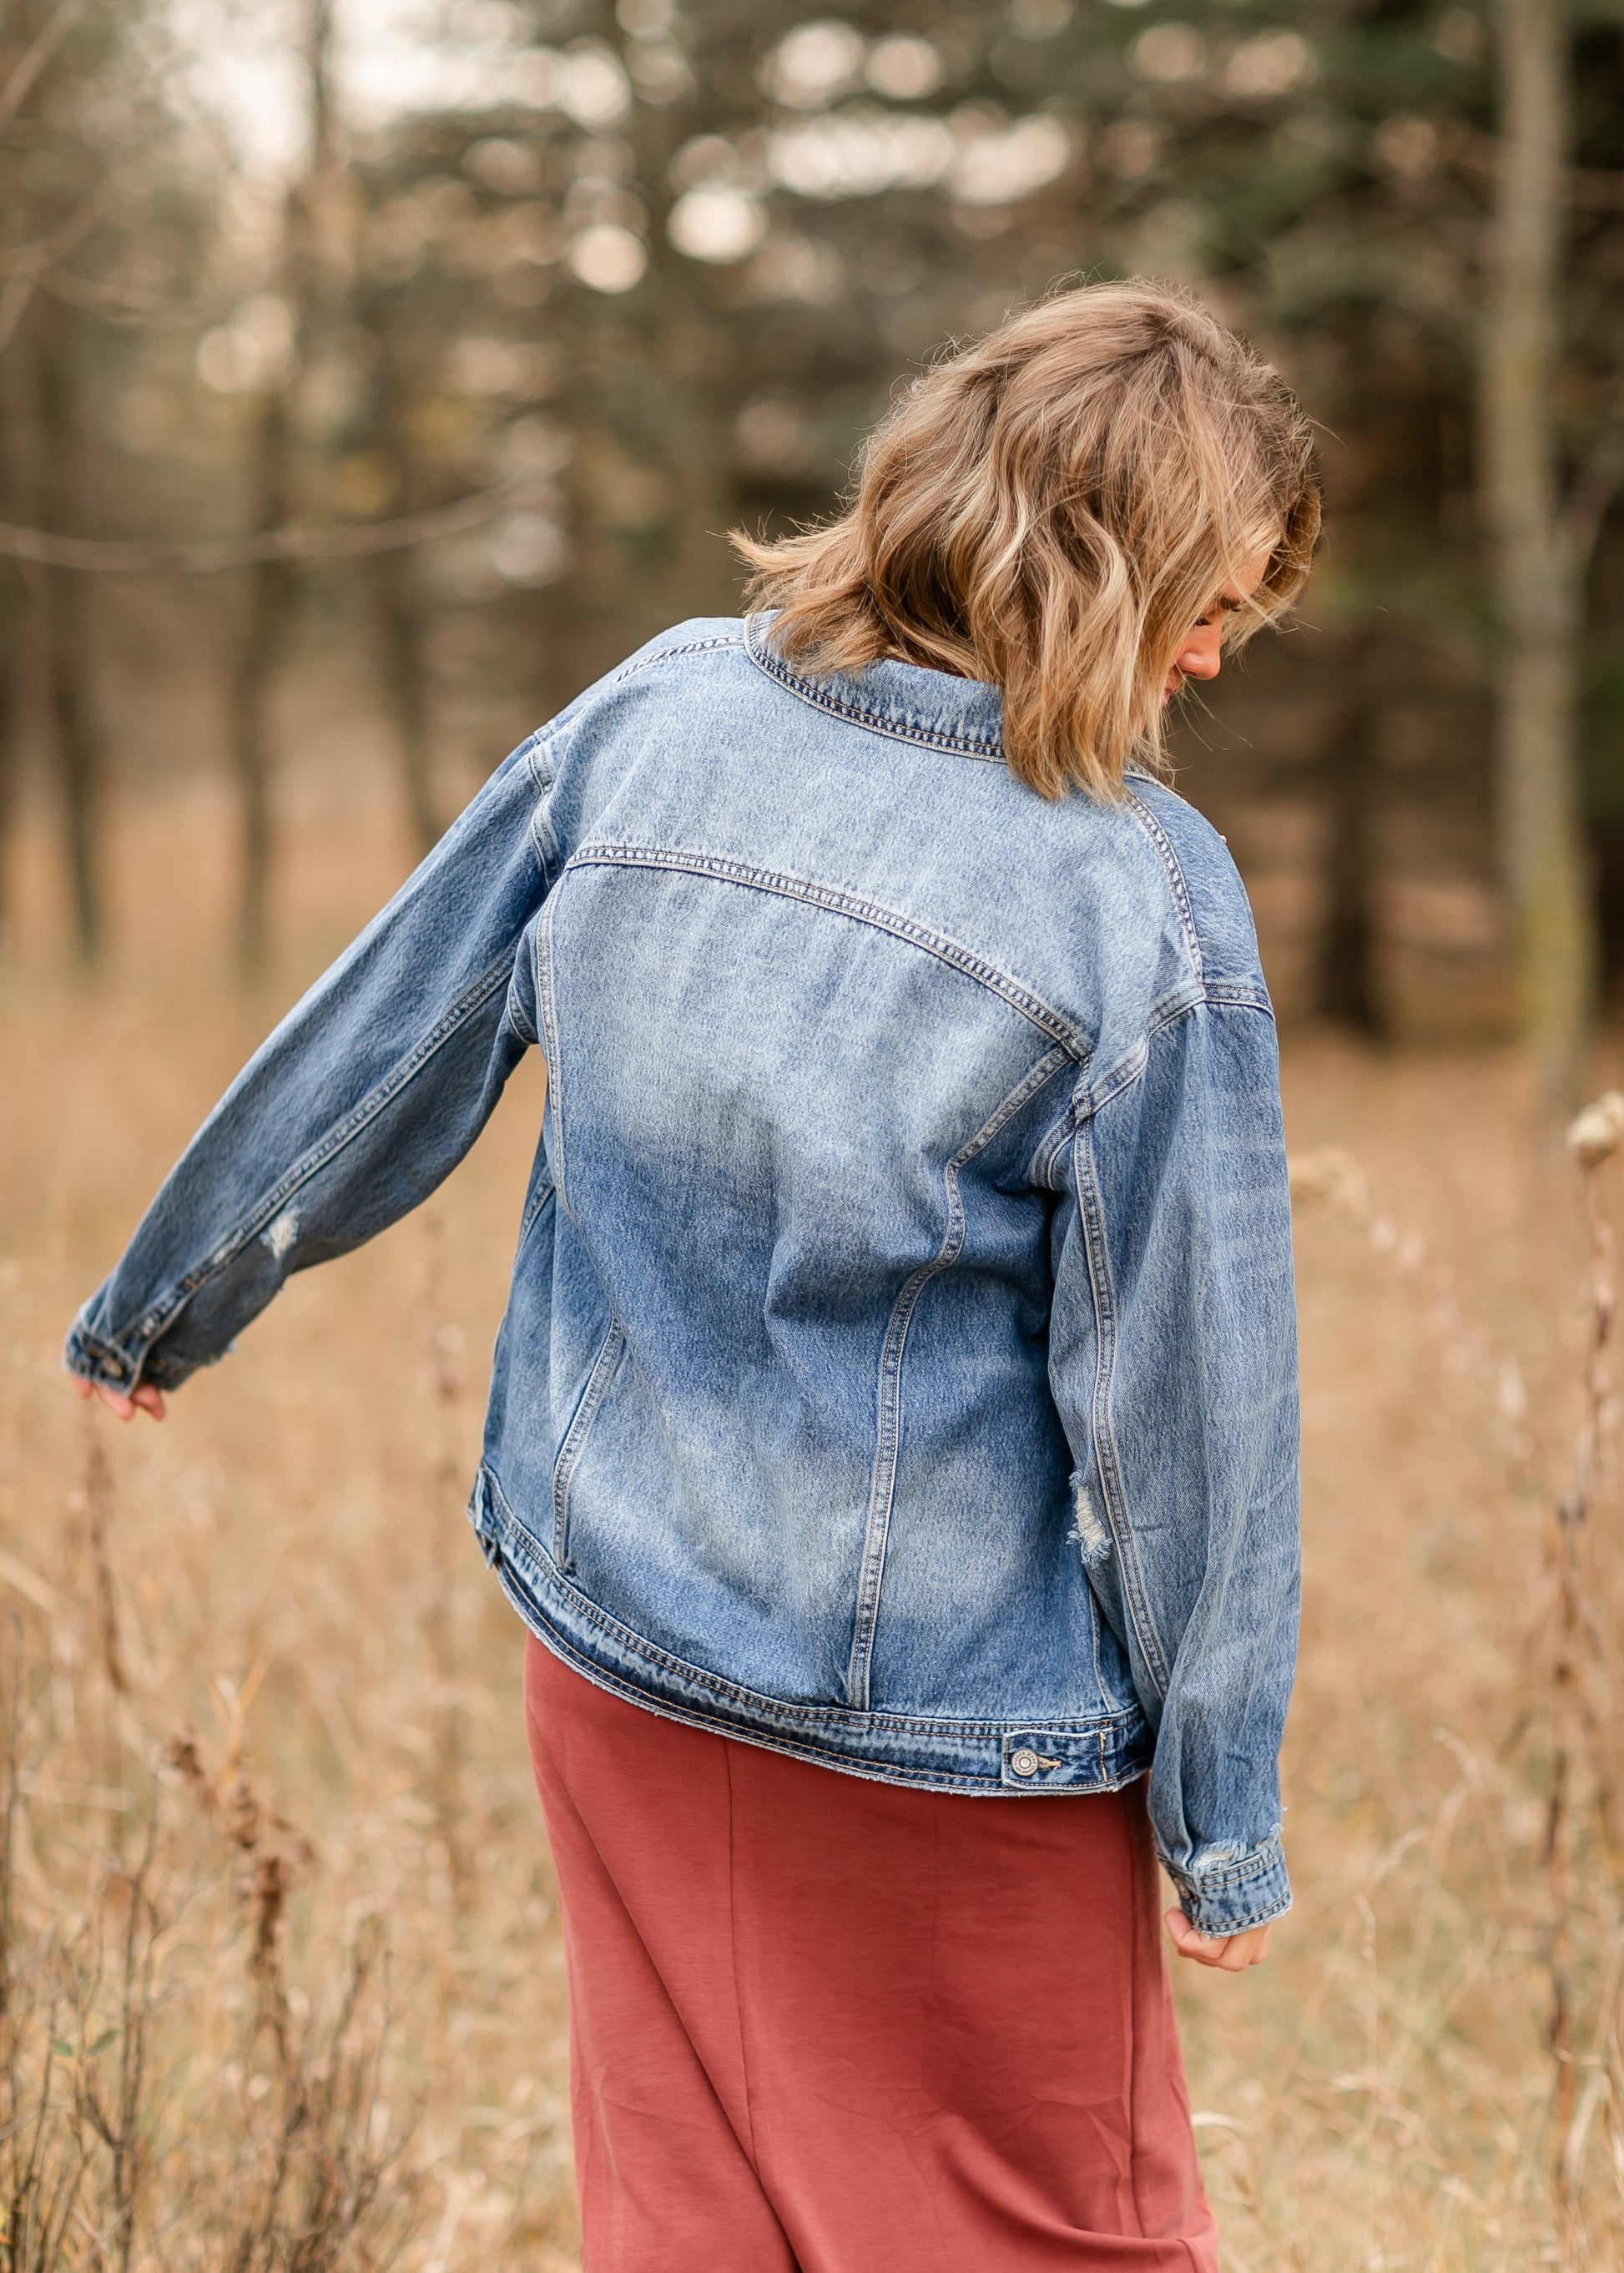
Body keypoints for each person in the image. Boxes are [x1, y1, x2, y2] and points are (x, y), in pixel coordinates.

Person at [68, 278, 1318, 2272]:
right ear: (1098, 563)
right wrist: (1222, 1806)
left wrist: (168, 1299)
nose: (1218, 651)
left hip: (618, 1638)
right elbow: (1190, 1409)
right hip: (938, 1734)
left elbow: (394, 1030)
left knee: (695, 2215)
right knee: (1061, 2237)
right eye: (1210, 595)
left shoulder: (652, 716)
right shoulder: (1131, 893)